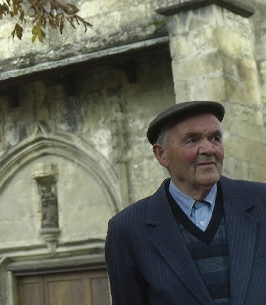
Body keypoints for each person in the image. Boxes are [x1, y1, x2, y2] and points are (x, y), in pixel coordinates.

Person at [104, 100, 266, 305]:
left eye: (215, 138)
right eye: (192, 140)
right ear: (161, 154)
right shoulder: (128, 229)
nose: (209, 148)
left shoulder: (262, 203)